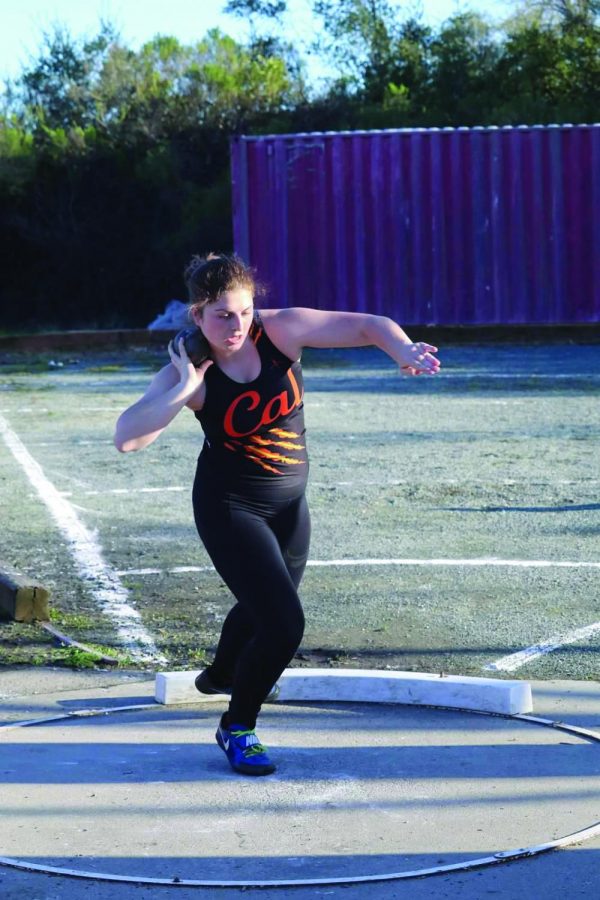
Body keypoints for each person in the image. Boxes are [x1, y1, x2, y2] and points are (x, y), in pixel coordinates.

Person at [114, 253, 441, 777]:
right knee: (285, 624)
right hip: (229, 506)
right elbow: (126, 439)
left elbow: (367, 325)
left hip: (289, 505)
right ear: (197, 315)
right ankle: (237, 726)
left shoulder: (281, 331)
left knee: (262, 608)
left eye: (244, 312)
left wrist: (402, 350)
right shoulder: (194, 374)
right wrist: (180, 387)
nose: (237, 325)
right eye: (222, 315)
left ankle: (223, 671)